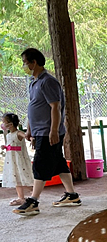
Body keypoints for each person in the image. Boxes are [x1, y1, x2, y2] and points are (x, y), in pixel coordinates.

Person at [13, 48, 82, 216]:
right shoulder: (33, 82)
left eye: (25, 63)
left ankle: (33, 201)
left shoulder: (48, 81)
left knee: (40, 164)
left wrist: (53, 131)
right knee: (59, 163)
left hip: (49, 132)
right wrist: (30, 129)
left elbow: (55, 107)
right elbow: (33, 107)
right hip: (40, 131)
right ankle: (72, 195)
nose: (24, 66)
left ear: (34, 62)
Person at [2, 113, 34, 206]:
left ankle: (33, 193)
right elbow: (11, 145)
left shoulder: (18, 133)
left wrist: (31, 139)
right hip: (11, 160)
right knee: (16, 178)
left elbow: (26, 137)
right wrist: (5, 147)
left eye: (4, 122)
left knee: (24, 176)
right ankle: (21, 197)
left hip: (19, 160)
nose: (3, 124)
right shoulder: (8, 135)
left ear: (10, 124)